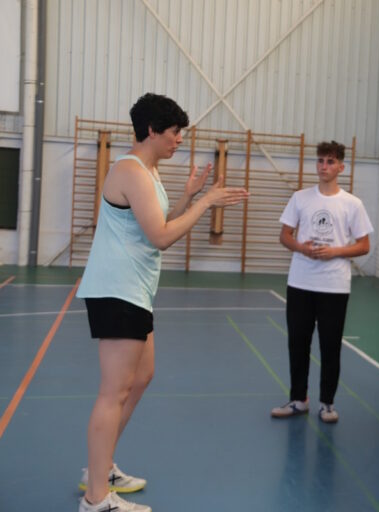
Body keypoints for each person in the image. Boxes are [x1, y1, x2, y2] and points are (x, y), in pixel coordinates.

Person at [76, 93, 250, 512]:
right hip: (117, 291)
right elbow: (161, 237)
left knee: (142, 377)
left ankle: (101, 469)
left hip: (133, 290)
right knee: (113, 392)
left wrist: (189, 195)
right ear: (152, 131)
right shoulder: (131, 170)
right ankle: (96, 497)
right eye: (174, 134)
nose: (178, 142)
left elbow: (161, 224)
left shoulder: (148, 171)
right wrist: (206, 202)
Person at [271, 140, 373, 424]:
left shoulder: (353, 204)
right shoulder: (301, 198)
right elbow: (284, 236)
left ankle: (327, 403)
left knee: (330, 346)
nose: (323, 166)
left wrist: (335, 251)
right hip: (301, 283)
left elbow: (364, 245)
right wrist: (302, 248)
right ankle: (298, 399)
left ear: (341, 166)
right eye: (320, 161)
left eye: (330, 162)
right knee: (298, 343)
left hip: (334, 286)